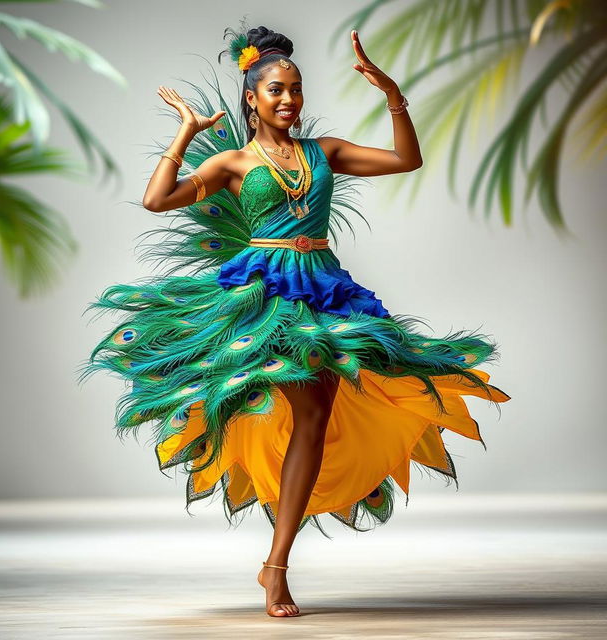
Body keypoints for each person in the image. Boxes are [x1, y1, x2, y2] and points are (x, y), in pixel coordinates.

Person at [79, 24, 510, 618]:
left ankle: (274, 562)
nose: (289, 100)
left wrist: (391, 95)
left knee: (315, 419)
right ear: (252, 98)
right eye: (277, 90)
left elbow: (406, 159)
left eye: (297, 90)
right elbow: (157, 200)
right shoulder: (233, 162)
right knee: (305, 412)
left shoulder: (323, 152)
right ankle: (278, 568)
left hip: (325, 288)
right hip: (262, 294)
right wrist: (184, 132)